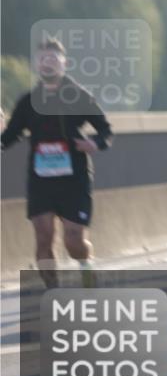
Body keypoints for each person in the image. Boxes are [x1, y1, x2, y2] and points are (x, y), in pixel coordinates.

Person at [1, 38, 113, 289]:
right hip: (41, 179)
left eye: (53, 59)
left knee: (74, 242)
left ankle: (86, 267)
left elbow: (105, 130)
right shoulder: (27, 102)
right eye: (42, 59)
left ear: (64, 63)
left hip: (74, 178)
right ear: (36, 65)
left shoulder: (80, 96)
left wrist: (95, 143)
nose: (47, 64)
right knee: (43, 238)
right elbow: (9, 137)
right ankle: (54, 293)